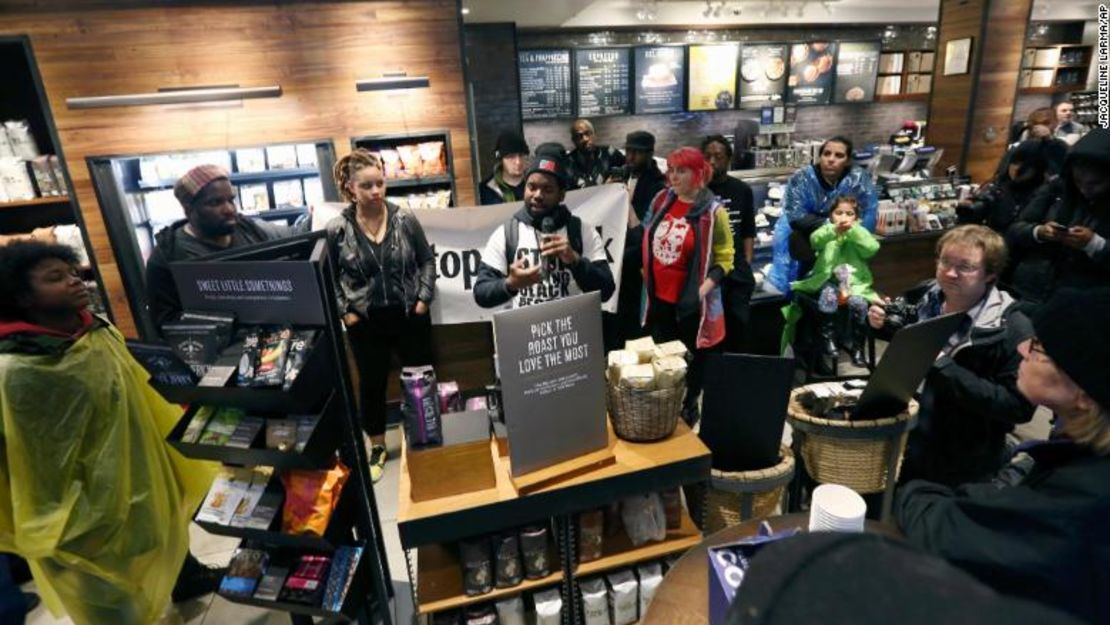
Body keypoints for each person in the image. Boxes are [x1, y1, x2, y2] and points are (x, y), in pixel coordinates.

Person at [0, 241, 213, 625]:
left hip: (134, 485)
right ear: (21, 296)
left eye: (71, 271)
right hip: (71, 515)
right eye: (54, 278)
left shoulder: (98, 332)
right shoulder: (16, 368)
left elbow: (139, 402)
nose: (73, 281)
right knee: (109, 607)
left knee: (148, 570)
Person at [896, 287, 1110, 624]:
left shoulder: (1076, 502)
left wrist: (911, 489)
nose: (1023, 349)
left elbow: (941, 529)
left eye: (1039, 347)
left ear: (1084, 393)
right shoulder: (1079, 456)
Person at [868, 226, 1036, 486]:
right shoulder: (926, 295)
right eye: (945, 261)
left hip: (963, 459)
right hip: (908, 436)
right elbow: (904, 337)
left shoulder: (1012, 328)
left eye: (965, 267)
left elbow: (1017, 407)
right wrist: (881, 324)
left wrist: (943, 365)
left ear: (990, 274)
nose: (949, 273)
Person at [326, 149, 437, 482]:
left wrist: (423, 298)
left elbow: (426, 260)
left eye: (380, 183)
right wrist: (345, 311)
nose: (376, 191)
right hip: (366, 322)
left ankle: (425, 437)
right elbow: (330, 276)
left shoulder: (404, 219)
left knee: (421, 379)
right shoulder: (338, 229)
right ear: (350, 189)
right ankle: (376, 447)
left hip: (408, 315)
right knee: (371, 387)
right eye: (367, 186)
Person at [637, 147, 735, 424]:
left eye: (681, 170)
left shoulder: (714, 212)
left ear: (698, 173)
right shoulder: (661, 199)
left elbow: (726, 258)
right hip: (659, 297)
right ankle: (667, 405)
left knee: (692, 359)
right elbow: (645, 232)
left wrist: (699, 292)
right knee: (665, 355)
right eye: (671, 169)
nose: (674, 176)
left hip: (691, 303)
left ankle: (689, 405)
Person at [145, 164, 281, 333]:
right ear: (189, 210)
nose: (229, 210)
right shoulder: (167, 257)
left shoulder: (249, 230)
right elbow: (165, 323)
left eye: (231, 200)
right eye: (215, 202)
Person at [473, 151, 615, 309]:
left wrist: (576, 261)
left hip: (570, 328)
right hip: (527, 330)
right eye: (531, 187)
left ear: (562, 195)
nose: (537, 195)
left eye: (547, 189)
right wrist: (510, 284)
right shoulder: (506, 234)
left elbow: (607, 290)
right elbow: (481, 293)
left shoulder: (582, 231)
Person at [1008, 128, 1110, 306]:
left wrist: (1095, 244)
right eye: (1079, 182)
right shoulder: (1057, 188)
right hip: (1031, 288)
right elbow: (1016, 228)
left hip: (1084, 300)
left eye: (1095, 184)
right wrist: (1040, 232)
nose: (1085, 189)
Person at [767, 136, 878, 294]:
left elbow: (869, 215)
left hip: (847, 250)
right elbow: (796, 217)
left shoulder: (858, 179)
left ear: (847, 161)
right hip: (808, 245)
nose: (831, 159)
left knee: (846, 292)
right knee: (808, 292)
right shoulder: (803, 178)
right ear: (820, 156)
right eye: (827, 154)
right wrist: (833, 226)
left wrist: (852, 232)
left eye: (839, 155)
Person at [781, 195, 880, 369]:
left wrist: (853, 232)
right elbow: (815, 241)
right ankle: (828, 338)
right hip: (825, 279)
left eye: (849, 214)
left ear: (856, 218)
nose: (844, 217)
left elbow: (872, 249)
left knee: (860, 304)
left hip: (853, 283)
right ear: (831, 216)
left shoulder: (860, 232)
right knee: (828, 296)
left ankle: (858, 348)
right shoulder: (826, 230)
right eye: (839, 213)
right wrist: (833, 231)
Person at [607, 131, 667, 351]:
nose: (630, 157)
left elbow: (645, 234)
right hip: (617, 256)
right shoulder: (622, 173)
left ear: (650, 154)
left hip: (638, 264)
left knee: (636, 326)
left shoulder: (658, 186)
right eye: (628, 151)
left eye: (636, 153)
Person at [703, 134, 757, 352]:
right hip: (709, 272)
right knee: (713, 331)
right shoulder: (697, 192)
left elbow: (748, 229)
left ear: (728, 159)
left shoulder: (742, 189)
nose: (713, 162)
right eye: (707, 157)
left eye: (718, 156)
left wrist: (747, 261)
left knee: (739, 325)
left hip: (737, 272)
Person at [567, 118, 625, 188]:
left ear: (594, 135)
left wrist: (617, 177)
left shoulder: (609, 153)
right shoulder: (567, 163)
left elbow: (628, 167)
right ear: (573, 140)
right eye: (579, 136)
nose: (585, 139)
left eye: (587, 133)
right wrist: (604, 187)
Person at [479, 131, 530, 205]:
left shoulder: (535, 184)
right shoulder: (486, 190)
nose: (518, 162)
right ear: (501, 160)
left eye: (521, 155)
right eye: (511, 157)